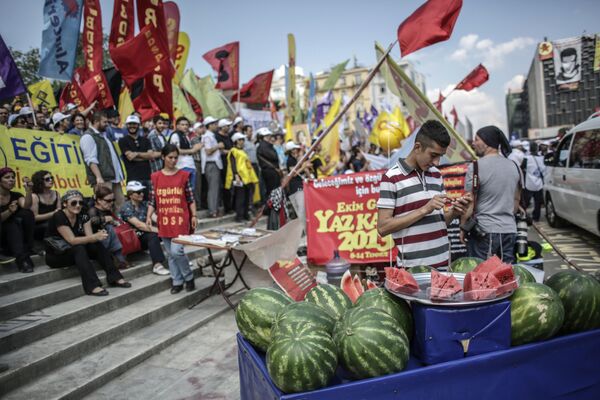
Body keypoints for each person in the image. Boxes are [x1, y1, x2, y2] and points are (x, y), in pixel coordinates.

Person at [377, 120, 472, 269]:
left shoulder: (436, 174)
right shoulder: (391, 177)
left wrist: (454, 212)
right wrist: (424, 209)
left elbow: (439, 223)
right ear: (418, 147)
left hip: (443, 265)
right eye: (433, 155)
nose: (436, 162)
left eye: (440, 156)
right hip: (413, 270)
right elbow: (383, 228)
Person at [45, 190, 131, 296]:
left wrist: (98, 235)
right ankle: (92, 285)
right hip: (57, 255)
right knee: (79, 248)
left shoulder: (83, 214)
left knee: (96, 245)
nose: (78, 205)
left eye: (80, 203)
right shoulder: (59, 216)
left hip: (74, 251)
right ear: (65, 204)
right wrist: (93, 237)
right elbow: (72, 240)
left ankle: (115, 277)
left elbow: (89, 238)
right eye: (73, 203)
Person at [462, 126, 522, 264]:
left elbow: (469, 203)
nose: (473, 143)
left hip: (484, 232)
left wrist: (463, 227)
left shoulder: (475, 167)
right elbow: (516, 201)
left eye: (476, 139)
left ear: (486, 142)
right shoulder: (515, 166)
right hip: (510, 231)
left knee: (482, 277)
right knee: (506, 277)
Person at [146, 145, 197, 294]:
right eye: (170, 157)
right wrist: (149, 216)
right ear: (163, 157)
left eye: (176, 157)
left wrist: (194, 215)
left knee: (176, 251)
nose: (173, 160)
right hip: (165, 220)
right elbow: (152, 200)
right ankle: (177, 281)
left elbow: (190, 199)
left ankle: (188, 277)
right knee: (170, 254)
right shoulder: (155, 177)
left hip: (181, 220)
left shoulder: (183, 175)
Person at [119, 181, 169, 276]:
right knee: (153, 235)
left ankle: (177, 257)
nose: (141, 194)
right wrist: (161, 231)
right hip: (133, 239)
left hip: (145, 235)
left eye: (142, 191)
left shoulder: (145, 204)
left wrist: (166, 226)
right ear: (130, 194)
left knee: (166, 232)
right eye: (138, 192)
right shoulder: (126, 207)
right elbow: (139, 225)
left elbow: (155, 218)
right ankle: (157, 265)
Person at [80, 111, 126, 210]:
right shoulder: (88, 137)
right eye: (105, 122)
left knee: (120, 204)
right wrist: (98, 177)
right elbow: (91, 160)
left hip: (113, 177)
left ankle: (120, 225)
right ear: (96, 121)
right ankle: (107, 225)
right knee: (104, 206)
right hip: (103, 179)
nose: (107, 124)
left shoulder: (103, 135)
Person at [0, 168, 35, 272]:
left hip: (13, 233)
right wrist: (9, 212)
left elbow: (26, 205)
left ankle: (27, 249)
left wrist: (28, 191)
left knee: (27, 213)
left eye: (13, 177)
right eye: (7, 177)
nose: (11, 180)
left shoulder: (16, 195)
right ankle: (23, 260)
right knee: (10, 224)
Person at [87, 186, 131, 270]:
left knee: (112, 228)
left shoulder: (107, 209)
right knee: (109, 228)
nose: (111, 203)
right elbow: (92, 221)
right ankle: (116, 260)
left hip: (109, 240)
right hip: (97, 242)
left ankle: (121, 260)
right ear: (99, 200)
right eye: (108, 201)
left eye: (113, 200)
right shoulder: (93, 210)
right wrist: (104, 219)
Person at [118, 115, 159, 196]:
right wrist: (146, 156)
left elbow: (151, 155)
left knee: (149, 203)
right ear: (126, 125)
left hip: (147, 177)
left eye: (134, 124)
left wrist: (136, 154)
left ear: (139, 125)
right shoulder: (123, 141)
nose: (132, 126)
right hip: (133, 178)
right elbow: (130, 157)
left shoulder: (146, 140)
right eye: (130, 124)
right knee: (134, 204)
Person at [226, 133, 259, 222]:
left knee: (247, 197)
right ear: (236, 141)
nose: (242, 141)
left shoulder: (242, 151)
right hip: (240, 177)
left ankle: (245, 215)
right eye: (240, 140)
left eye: (243, 140)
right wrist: (236, 175)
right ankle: (239, 216)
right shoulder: (233, 151)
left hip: (247, 177)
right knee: (240, 197)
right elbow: (233, 164)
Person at [168, 117, 203, 192]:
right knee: (183, 191)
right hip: (181, 166)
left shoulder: (186, 136)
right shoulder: (175, 135)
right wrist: (193, 150)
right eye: (182, 124)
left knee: (190, 191)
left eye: (186, 125)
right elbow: (175, 150)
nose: (185, 126)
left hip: (190, 165)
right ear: (177, 126)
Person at [200, 116, 222, 218]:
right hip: (211, 164)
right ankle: (212, 210)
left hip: (215, 164)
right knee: (213, 188)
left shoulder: (212, 136)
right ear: (210, 125)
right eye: (214, 124)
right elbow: (208, 151)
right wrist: (218, 146)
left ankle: (215, 209)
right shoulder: (207, 136)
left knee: (215, 188)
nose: (216, 126)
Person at [30, 170, 61, 240]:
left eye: (51, 178)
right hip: (39, 226)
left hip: (54, 223)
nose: (51, 180)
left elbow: (59, 211)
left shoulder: (56, 193)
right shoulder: (34, 196)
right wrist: (53, 213)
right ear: (40, 181)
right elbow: (34, 217)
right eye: (47, 179)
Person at [285, 141, 310, 224]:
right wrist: (303, 167)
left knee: (302, 205)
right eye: (295, 148)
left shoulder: (296, 159)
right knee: (300, 206)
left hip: (299, 183)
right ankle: (301, 225)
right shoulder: (290, 160)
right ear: (291, 150)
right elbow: (294, 174)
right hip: (295, 184)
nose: (296, 150)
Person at [522, 142, 546, 222]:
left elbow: (522, 169)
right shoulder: (542, 158)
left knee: (526, 201)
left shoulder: (526, 158)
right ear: (537, 148)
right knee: (537, 202)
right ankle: (536, 217)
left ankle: (524, 215)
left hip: (529, 183)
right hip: (539, 183)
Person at [256, 127, 282, 201]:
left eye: (269, 136)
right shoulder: (263, 146)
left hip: (272, 171)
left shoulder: (267, 146)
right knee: (272, 190)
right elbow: (274, 157)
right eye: (266, 136)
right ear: (262, 137)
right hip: (270, 171)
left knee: (274, 190)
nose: (269, 138)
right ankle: (273, 206)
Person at [216, 119, 233, 214]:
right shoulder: (217, 136)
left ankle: (230, 206)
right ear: (222, 127)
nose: (228, 127)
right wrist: (231, 152)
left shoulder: (228, 137)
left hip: (230, 163)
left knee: (230, 186)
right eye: (227, 126)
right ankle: (226, 207)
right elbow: (221, 150)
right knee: (225, 185)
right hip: (223, 163)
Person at [190, 122, 205, 207]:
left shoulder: (202, 137)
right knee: (198, 184)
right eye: (200, 127)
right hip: (197, 162)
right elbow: (198, 147)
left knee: (202, 184)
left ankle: (201, 202)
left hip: (202, 163)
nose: (202, 128)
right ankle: (198, 204)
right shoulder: (194, 138)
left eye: (202, 127)